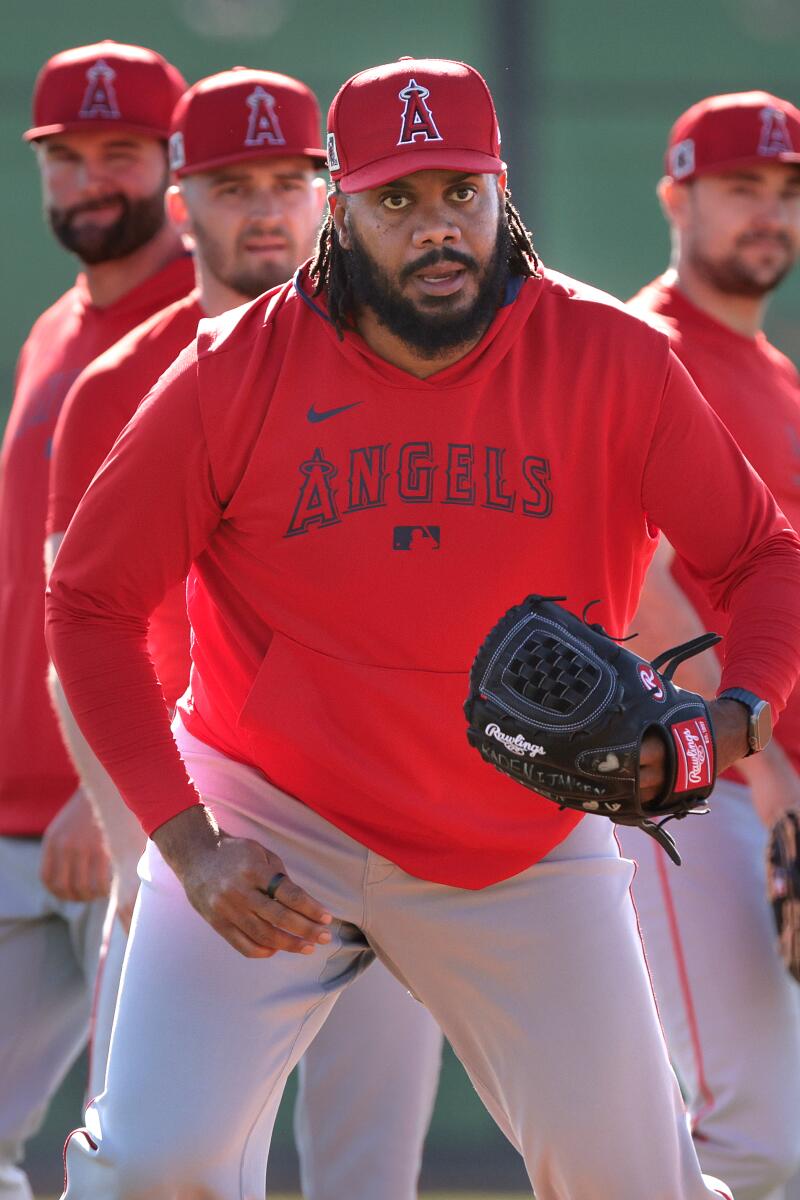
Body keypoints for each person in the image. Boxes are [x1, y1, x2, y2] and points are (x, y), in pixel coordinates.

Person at [45, 56, 800, 1200]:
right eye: (396, 199)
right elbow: (89, 604)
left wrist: (733, 723)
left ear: (502, 193)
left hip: (519, 837)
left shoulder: (610, 360)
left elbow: (762, 558)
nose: (435, 227)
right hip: (273, 809)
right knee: (154, 1162)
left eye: (459, 193)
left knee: (631, 1183)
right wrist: (188, 844)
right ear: (338, 209)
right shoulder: (229, 373)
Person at [46, 67, 442, 1200]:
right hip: (200, 829)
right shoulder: (116, 384)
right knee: (169, 1169)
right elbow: (82, 625)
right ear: (183, 202)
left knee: (370, 1170)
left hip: (386, 812)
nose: (263, 209)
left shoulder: (410, 356)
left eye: (287, 179)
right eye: (231, 183)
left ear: (330, 194)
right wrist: (143, 851)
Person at [0, 41, 192, 1200]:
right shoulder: (54, 331)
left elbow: (208, 596)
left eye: (120, 152)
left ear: (176, 169)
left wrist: (104, 781)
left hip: (128, 815)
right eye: (65, 157)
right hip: (20, 815)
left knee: (145, 1160)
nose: (89, 181)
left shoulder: (208, 331)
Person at [619, 91, 800, 1200]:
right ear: (675, 196)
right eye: (739, 189)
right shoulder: (649, 348)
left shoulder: (772, 374)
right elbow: (636, 585)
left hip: (768, 790)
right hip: (702, 790)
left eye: (784, 194)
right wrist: (768, 776)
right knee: (747, 1135)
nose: (765, 216)